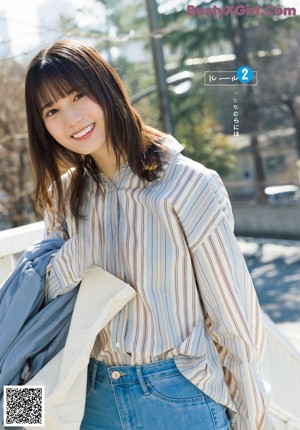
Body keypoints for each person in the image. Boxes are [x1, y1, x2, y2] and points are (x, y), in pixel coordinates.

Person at [25, 38, 270, 430]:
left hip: (179, 395)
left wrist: (251, 417)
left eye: (78, 96)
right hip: (90, 399)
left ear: (106, 90)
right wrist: (79, 253)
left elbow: (234, 321)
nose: (71, 119)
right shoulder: (61, 197)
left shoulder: (188, 185)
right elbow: (42, 317)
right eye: (52, 110)